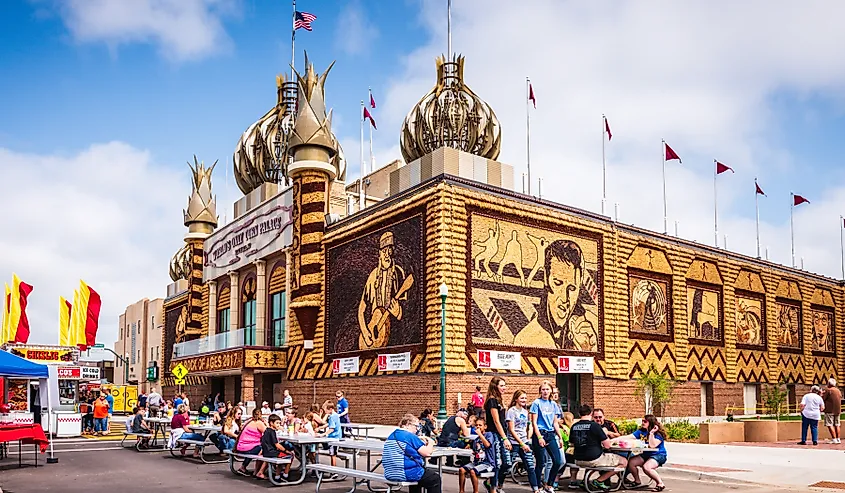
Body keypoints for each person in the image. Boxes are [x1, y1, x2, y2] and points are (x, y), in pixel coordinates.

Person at [357, 231, 414, 349]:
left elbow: (408, 307)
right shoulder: (373, 276)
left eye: (389, 251)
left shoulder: (399, 273)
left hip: (393, 336)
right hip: (373, 338)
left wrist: (399, 312)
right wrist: (365, 331)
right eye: (384, 251)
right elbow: (361, 309)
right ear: (379, 254)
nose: (387, 255)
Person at [571, 404, 627, 491]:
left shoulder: (574, 426)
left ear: (579, 414)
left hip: (578, 460)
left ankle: (585, 481)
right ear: (591, 414)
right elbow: (607, 445)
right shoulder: (594, 426)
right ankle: (599, 481)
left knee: (596, 459)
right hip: (593, 459)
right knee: (624, 461)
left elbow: (572, 442)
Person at [384, 413, 440, 493]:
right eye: (416, 426)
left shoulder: (392, 435)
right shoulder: (409, 436)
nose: (417, 429)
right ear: (407, 424)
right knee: (435, 478)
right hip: (404, 473)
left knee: (418, 478)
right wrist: (431, 442)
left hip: (390, 473)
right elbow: (427, 453)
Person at [529, 381, 563, 493]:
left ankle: (549, 484)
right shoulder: (536, 403)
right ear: (540, 391)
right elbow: (534, 422)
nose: (545, 391)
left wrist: (560, 437)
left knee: (557, 461)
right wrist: (539, 437)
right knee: (541, 462)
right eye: (543, 389)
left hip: (550, 434)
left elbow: (555, 423)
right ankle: (537, 486)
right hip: (540, 433)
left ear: (551, 391)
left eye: (547, 389)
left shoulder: (554, 405)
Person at [506, 390, 539, 493]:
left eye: (525, 398)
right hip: (514, 443)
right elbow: (511, 429)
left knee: (530, 466)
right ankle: (498, 485)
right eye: (521, 398)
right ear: (516, 399)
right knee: (507, 465)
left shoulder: (525, 412)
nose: (524, 400)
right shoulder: (511, 411)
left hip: (524, 441)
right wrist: (521, 443)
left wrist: (527, 439)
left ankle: (535, 488)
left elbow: (528, 427)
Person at [624, 415, 667, 491]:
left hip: (658, 455)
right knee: (631, 462)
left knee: (646, 467)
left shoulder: (658, 434)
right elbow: (629, 436)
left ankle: (660, 483)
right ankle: (637, 481)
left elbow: (652, 445)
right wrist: (613, 440)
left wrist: (651, 433)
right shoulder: (641, 432)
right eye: (642, 421)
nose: (643, 423)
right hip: (645, 454)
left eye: (645, 421)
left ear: (650, 423)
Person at [484, 377, 512, 493]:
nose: (504, 388)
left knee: (507, 463)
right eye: (501, 385)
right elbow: (496, 421)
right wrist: (504, 438)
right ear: (495, 386)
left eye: (504, 385)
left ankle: (496, 483)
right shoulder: (492, 401)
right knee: (497, 463)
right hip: (495, 434)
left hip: (502, 433)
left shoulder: (499, 400)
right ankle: (493, 488)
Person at [459, 416, 495, 493]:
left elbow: (487, 445)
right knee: (461, 470)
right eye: (477, 425)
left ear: (485, 427)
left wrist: (480, 435)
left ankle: (476, 491)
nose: (478, 427)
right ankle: (461, 491)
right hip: (477, 462)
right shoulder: (476, 439)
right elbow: (476, 451)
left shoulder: (489, 435)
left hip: (487, 463)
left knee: (473, 471)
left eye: (480, 425)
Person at [260, 414, 294, 481]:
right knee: (291, 456)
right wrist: (286, 450)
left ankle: (277, 476)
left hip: (266, 452)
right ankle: (285, 475)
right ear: (271, 423)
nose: (278, 425)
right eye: (277, 423)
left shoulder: (267, 430)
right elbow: (277, 445)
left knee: (282, 458)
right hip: (272, 452)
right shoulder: (272, 432)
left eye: (279, 423)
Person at [235, 408, 267, 475]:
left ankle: (243, 467)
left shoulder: (249, 421)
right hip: (247, 448)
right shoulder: (259, 423)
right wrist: (266, 424)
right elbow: (268, 433)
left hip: (240, 446)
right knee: (264, 449)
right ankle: (258, 471)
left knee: (257, 448)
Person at [559, 412, 580, 490]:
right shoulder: (566, 429)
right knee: (574, 457)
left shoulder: (561, 428)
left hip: (562, 452)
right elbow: (570, 442)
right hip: (564, 452)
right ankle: (573, 480)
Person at [321, 400, 343, 469]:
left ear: (330, 409)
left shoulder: (332, 417)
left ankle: (334, 470)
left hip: (334, 438)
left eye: (326, 411)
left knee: (333, 454)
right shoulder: (335, 415)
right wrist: (321, 427)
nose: (325, 412)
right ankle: (333, 469)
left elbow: (332, 428)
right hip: (336, 437)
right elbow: (330, 424)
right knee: (332, 453)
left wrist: (324, 434)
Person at [823, 378, 842, 444]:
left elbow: (823, 398)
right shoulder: (838, 390)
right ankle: (838, 439)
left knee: (829, 424)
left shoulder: (828, 390)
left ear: (829, 384)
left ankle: (834, 439)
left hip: (829, 410)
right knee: (837, 424)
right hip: (838, 410)